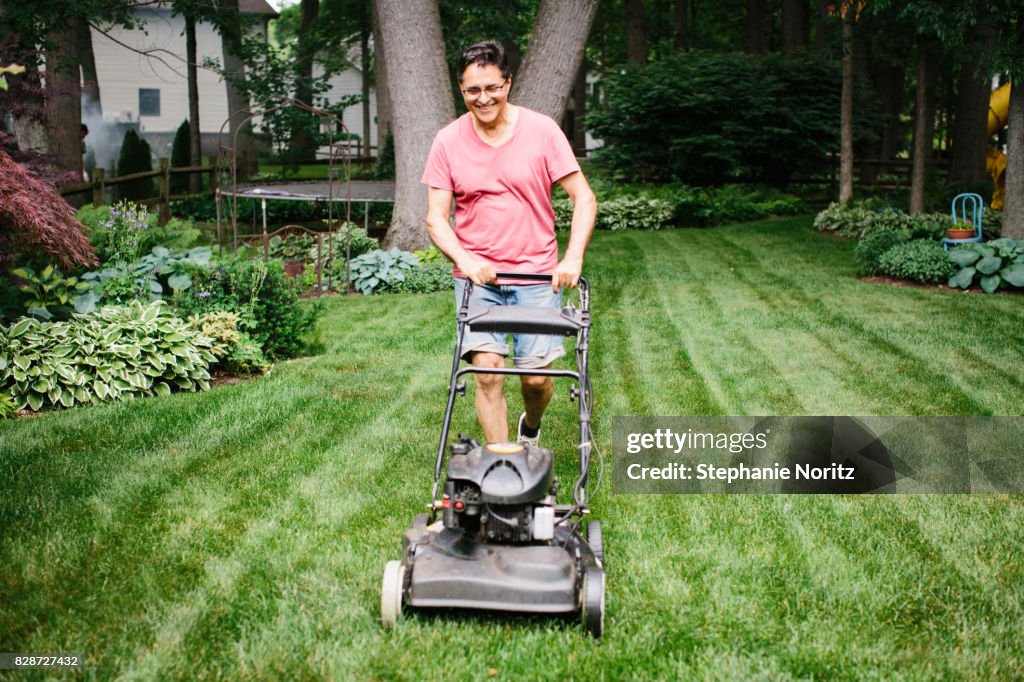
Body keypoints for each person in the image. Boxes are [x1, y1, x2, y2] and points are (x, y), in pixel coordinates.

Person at [422, 40, 597, 447]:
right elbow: (435, 217)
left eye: (491, 87)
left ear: (508, 83)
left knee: (537, 379)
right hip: (478, 279)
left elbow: (584, 198)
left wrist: (572, 257)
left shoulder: (542, 132)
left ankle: (530, 428)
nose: (483, 98)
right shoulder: (448, 141)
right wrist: (465, 260)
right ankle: (504, 463)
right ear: (460, 90)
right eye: (472, 91)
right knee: (486, 373)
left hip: (536, 276)